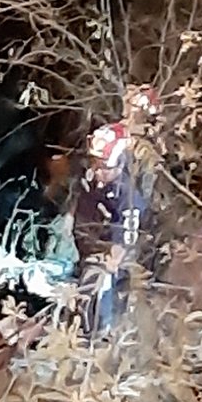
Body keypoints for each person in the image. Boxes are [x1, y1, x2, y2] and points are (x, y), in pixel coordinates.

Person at [72, 123, 148, 339]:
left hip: (115, 252)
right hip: (88, 244)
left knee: (100, 280)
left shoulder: (127, 195)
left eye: (103, 166)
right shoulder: (91, 181)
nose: (97, 171)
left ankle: (98, 333)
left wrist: (111, 258)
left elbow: (126, 239)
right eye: (95, 163)